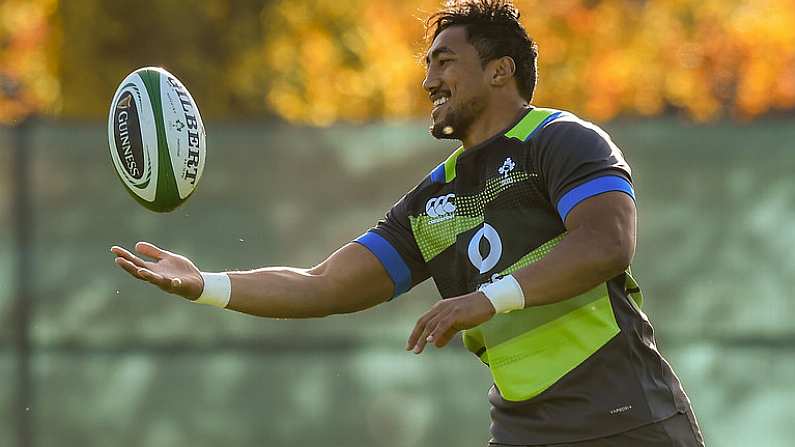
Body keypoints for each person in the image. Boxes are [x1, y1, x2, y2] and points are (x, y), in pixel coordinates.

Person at [112, 1, 705, 445]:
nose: (429, 80)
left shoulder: (561, 140)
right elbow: (324, 284)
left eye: (445, 61)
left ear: (500, 71)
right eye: (428, 65)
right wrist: (205, 284)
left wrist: (487, 300)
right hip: (528, 430)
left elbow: (607, 244)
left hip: (627, 417)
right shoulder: (433, 200)